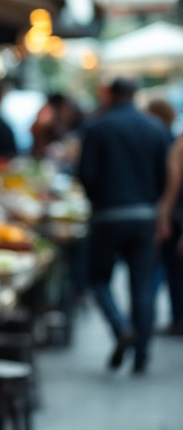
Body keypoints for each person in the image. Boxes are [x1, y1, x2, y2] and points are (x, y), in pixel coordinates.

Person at [78, 77, 172, 373]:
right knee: (142, 287)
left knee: (98, 279)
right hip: (144, 215)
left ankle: (121, 328)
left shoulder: (98, 128)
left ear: (110, 95)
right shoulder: (156, 129)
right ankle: (141, 355)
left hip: (108, 215)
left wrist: (99, 199)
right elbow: (165, 176)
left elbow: (86, 174)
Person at [156, 133, 183, 335]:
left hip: (178, 219)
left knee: (175, 272)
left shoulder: (178, 147)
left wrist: (163, 218)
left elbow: (171, 188)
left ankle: (178, 319)